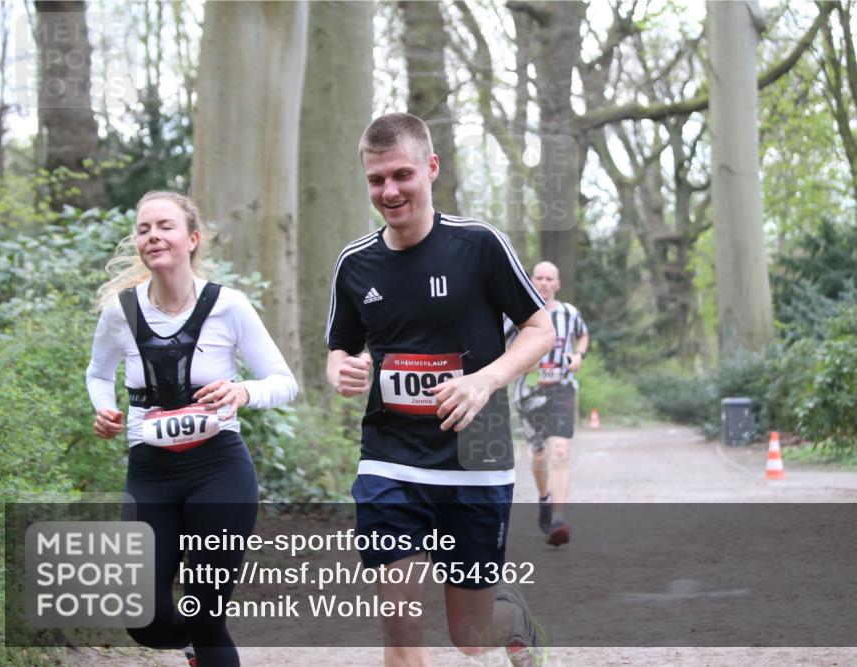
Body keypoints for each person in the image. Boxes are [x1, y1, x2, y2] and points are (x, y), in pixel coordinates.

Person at [325, 112, 555, 666]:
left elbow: (540, 329)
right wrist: (341, 370)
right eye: (376, 180)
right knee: (402, 631)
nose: (390, 190)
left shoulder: (480, 246)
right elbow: (340, 349)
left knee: (470, 636)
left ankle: (513, 620)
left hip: (477, 458)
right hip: (391, 461)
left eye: (402, 174)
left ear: (431, 168)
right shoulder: (355, 264)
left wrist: (485, 379)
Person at [86, 191, 298, 667]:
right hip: (150, 473)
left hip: (218, 470)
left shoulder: (230, 306)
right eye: (144, 229)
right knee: (143, 621)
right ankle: (198, 631)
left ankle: (205, 630)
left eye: (165, 226)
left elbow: (284, 383)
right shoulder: (121, 311)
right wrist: (104, 408)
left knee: (207, 614)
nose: (153, 236)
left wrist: (243, 392)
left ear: (192, 239)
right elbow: (98, 374)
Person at [504, 262, 589, 546]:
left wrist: (578, 356)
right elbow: (497, 344)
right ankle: (544, 499)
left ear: (557, 283)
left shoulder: (569, 313)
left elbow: (583, 334)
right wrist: (521, 362)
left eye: (548, 278)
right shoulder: (517, 313)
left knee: (561, 450)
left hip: (562, 388)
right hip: (528, 392)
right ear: (531, 280)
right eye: (538, 278)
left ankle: (559, 517)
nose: (543, 282)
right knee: (538, 455)